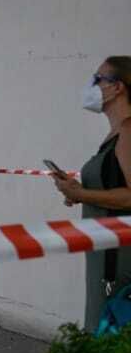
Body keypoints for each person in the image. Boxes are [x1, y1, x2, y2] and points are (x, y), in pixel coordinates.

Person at [53, 56, 131, 328]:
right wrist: (78, 190)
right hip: (105, 254)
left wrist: (82, 195)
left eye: (98, 79)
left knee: (109, 331)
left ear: (117, 87)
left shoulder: (128, 130)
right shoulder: (117, 133)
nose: (92, 86)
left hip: (119, 259)